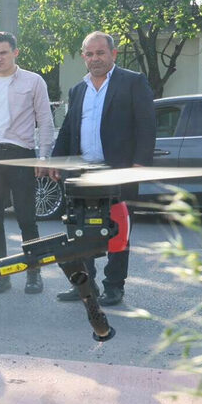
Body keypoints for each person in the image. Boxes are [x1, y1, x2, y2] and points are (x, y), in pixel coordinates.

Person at [50, 31, 155, 307]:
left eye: (100, 53)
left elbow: (147, 126)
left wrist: (140, 164)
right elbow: (69, 129)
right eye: (89, 54)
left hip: (119, 172)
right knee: (80, 230)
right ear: (83, 57)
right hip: (83, 174)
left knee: (118, 231)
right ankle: (85, 284)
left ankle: (114, 286)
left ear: (113, 54)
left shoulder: (132, 82)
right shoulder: (78, 89)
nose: (95, 58)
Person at [0, 32, 54, 294]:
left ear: (15, 52)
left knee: (27, 217)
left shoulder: (33, 81)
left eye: (3, 52)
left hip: (21, 154)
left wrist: (44, 157)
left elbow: (45, 120)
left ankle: (33, 273)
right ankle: (1, 274)